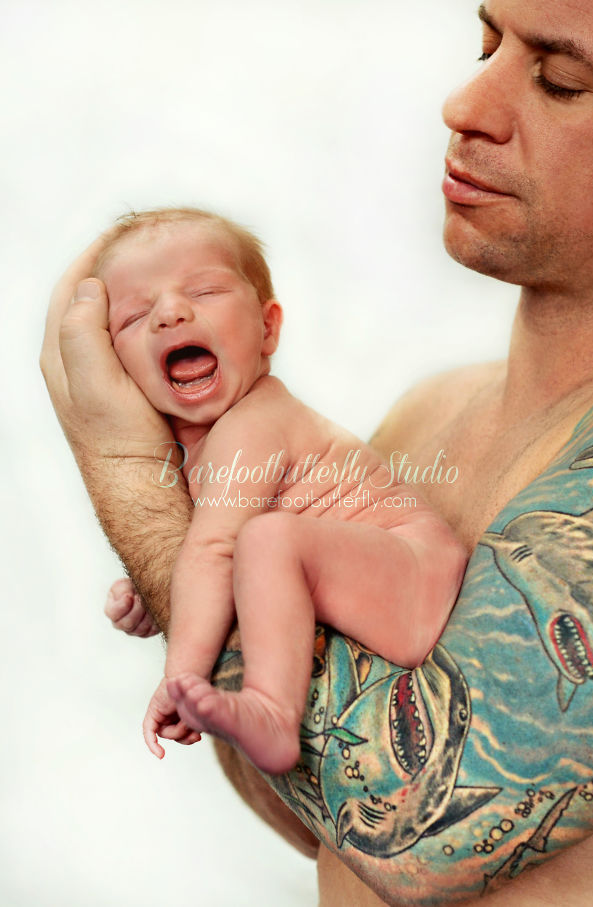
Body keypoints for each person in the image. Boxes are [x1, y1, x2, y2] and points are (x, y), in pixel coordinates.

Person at [41, 0, 593, 903]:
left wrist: (129, 476)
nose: (465, 103)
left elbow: (411, 829)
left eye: (559, 81)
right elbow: (324, 816)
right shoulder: (424, 416)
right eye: (486, 44)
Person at [92, 207, 466, 774]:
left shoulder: (255, 420)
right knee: (261, 545)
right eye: (136, 315)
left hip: (414, 578)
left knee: (265, 541)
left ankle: (271, 710)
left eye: (205, 290)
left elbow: (214, 550)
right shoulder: (196, 456)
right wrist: (152, 590)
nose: (170, 313)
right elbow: (205, 558)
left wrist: (180, 676)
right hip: (373, 587)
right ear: (116, 370)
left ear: (267, 328)